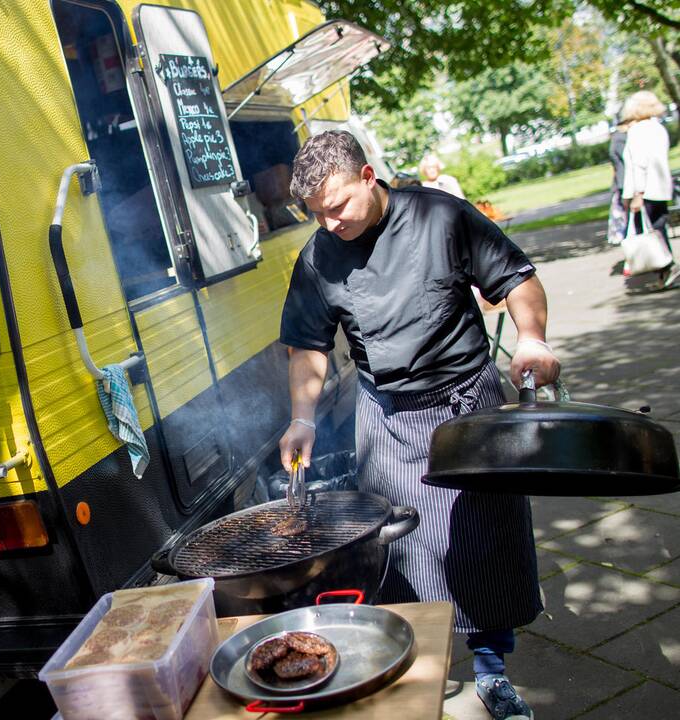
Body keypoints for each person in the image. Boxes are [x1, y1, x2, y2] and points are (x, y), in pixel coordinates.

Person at [279, 131, 560, 720]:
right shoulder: (317, 258)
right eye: (317, 215)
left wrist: (531, 339)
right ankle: (425, 675)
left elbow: (516, 278)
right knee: (400, 553)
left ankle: (491, 673)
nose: (329, 223)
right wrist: (302, 417)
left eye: (338, 207)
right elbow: (307, 345)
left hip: (468, 406)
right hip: (388, 418)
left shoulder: (441, 216)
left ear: (368, 177)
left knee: (487, 544)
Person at [620, 90, 676, 288]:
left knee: (652, 232)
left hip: (645, 190)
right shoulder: (657, 127)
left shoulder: (638, 130)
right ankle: (665, 273)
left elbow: (639, 164)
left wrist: (637, 194)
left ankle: (666, 268)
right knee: (658, 227)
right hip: (659, 187)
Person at [606, 116, 632, 246]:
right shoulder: (621, 138)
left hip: (622, 183)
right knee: (630, 219)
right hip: (625, 183)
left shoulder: (617, 138)